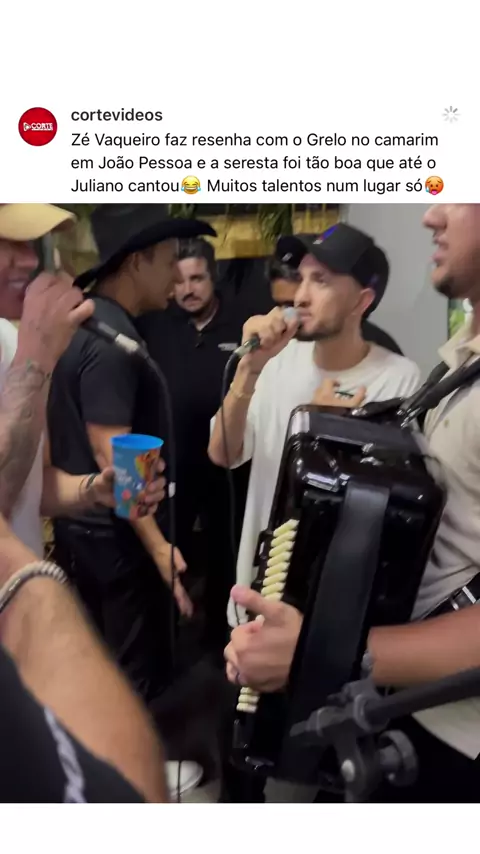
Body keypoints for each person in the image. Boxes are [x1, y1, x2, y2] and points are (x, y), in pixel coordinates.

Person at [224, 204, 480, 803]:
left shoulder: (403, 371)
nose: (431, 214)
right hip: (400, 706)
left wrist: (326, 651)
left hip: (454, 736)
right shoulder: (457, 363)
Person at [0, 204, 168, 802]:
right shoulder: (26, 349)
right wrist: (36, 358)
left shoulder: (11, 341)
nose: (29, 262)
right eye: (8, 243)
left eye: (36, 245)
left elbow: (33, 487)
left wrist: (94, 489)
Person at [47, 205, 216, 712]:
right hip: (116, 546)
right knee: (132, 683)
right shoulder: (110, 344)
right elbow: (114, 452)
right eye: (168, 261)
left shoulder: (95, 324)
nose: (176, 278)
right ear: (138, 261)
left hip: (92, 537)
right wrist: (159, 547)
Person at [209, 224, 420, 624]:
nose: (301, 296)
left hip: (331, 606)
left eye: (320, 281)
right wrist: (248, 370)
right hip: (257, 592)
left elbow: (388, 510)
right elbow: (222, 452)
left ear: (362, 300)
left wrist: (326, 427)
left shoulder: (398, 379)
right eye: (301, 278)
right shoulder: (275, 362)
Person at [137, 237, 249, 655]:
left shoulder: (242, 325)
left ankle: (221, 639)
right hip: (170, 467)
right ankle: (166, 637)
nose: (188, 289)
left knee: (225, 554)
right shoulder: (155, 325)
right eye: (180, 281)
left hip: (226, 468)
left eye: (197, 278)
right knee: (170, 550)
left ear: (213, 277)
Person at [267, 254, 404, 354]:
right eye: (283, 305)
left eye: (301, 303)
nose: (289, 314)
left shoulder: (380, 349)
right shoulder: (274, 345)